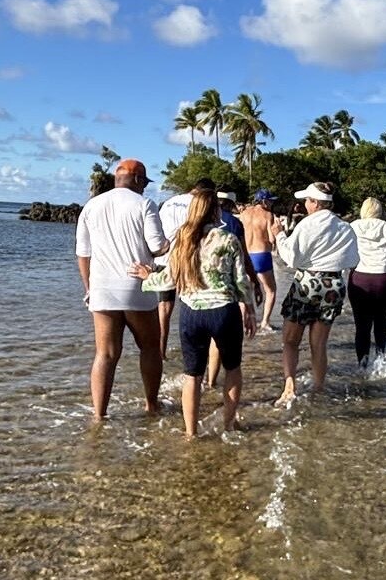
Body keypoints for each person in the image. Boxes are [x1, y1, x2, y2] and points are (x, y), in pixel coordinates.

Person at [129, 190, 256, 438]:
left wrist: (147, 277)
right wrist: (249, 310)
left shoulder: (182, 240)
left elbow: (169, 279)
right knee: (232, 368)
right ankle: (229, 425)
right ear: (216, 211)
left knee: (192, 376)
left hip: (192, 313)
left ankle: (190, 433)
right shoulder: (228, 239)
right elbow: (241, 281)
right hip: (224, 311)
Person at [75, 159, 169, 420]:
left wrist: (89, 288)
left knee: (105, 354)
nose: (145, 187)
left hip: (102, 289)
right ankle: (151, 405)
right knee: (149, 347)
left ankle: (99, 415)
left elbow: (83, 254)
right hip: (135, 288)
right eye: (144, 182)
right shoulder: (144, 204)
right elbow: (157, 246)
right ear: (137, 179)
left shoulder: (91, 205)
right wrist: (173, 242)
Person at [269, 182, 358, 405]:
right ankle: (318, 390)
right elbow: (353, 259)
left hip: (309, 283)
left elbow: (290, 258)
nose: (305, 204)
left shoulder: (307, 224)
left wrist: (279, 235)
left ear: (316, 203)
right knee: (319, 344)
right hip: (334, 285)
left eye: (307, 201)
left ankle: (289, 388)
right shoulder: (345, 227)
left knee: (290, 340)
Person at [206, 188, 263, 388]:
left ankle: (208, 381)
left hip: (201, 290)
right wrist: (255, 283)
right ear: (231, 203)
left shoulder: (201, 220)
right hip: (228, 289)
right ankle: (216, 384)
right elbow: (244, 257)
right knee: (226, 343)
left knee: (206, 343)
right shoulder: (235, 224)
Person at [154, 178, 216, 360]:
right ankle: (192, 354)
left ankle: (160, 353)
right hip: (186, 260)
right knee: (191, 306)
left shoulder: (169, 202)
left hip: (163, 259)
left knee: (164, 310)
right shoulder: (198, 205)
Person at [348, 197, 386, 366]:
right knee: (382, 321)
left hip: (359, 278)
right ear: (379, 211)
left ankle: (362, 366)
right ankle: (380, 360)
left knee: (362, 326)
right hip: (385, 279)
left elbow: (345, 253)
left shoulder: (353, 226)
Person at [240, 189, 280, 332]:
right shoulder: (268, 215)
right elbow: (272, 239)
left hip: (246, 255)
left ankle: (243, 322)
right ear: (264, 201)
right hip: (261, 255)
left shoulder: (244, 213)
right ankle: (265, 322)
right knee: (271, 290)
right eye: (270, 201)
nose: (272, 204)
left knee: (246, 291)